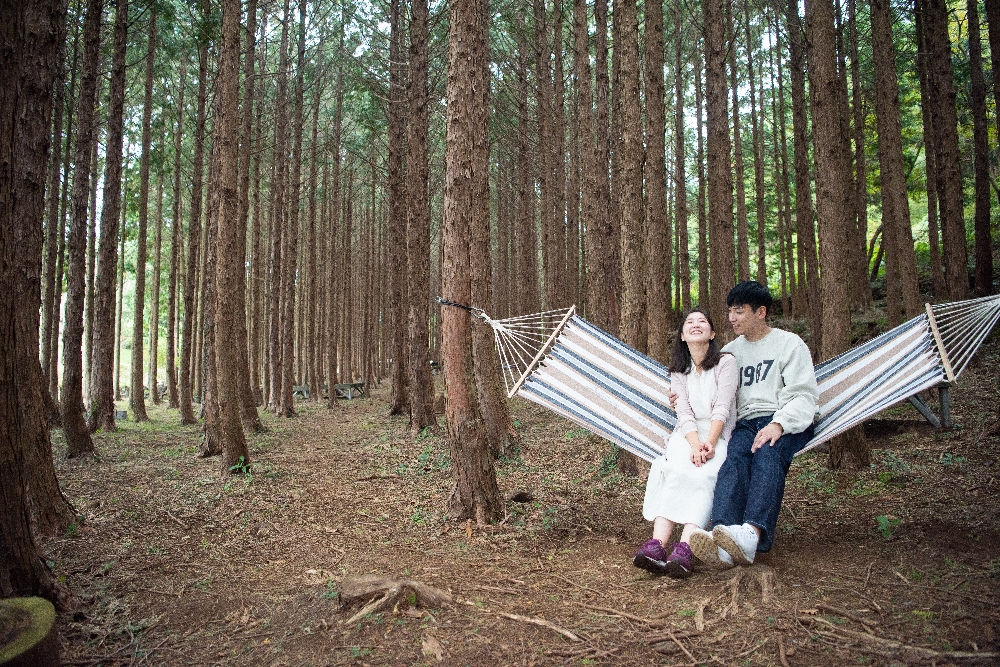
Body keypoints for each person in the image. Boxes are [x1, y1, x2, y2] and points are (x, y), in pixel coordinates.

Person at [687, 281, 819, 568]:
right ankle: (721, 537)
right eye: (730, 312)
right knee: (733, 461)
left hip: (784, 419)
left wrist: (779, 424)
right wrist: (679, 394)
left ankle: (751, 533)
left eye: (739, 311)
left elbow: (803, 395)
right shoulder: (730, 352)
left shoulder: (789, 344)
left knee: (768, 453)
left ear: (761, 312)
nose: (731, 318)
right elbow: (706, 385)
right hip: (746, 424)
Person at [633, 309, 739, 578]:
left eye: (702, 321)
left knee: (707, 476)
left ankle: (686, 547)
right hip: (687, 434)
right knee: (676, 471)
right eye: (689, 322)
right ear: (682, 336)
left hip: (719, 433)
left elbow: (723, 408)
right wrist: (694, 445)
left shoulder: (726, 363)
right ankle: (657, 546)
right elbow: (684, 413)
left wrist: (710, 444)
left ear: (712, 333)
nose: (695, 325)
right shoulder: (679, 372)